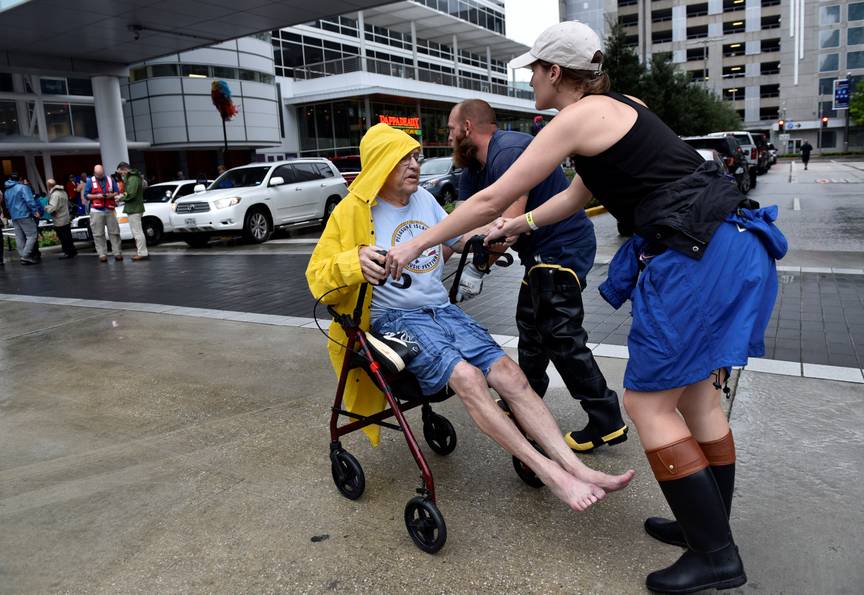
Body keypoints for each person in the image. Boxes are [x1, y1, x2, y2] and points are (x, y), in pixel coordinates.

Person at [384, 21, 786, 594]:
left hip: (696, 254)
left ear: (554, 73)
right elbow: (581, 193)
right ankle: (705, 526)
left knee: (647, 404)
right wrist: (518, 225)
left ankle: (717, 555)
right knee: (695, 393)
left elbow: (491, 194)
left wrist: (415, 243)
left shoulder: (573, 118)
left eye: (533, 71)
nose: (529, 80)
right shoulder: (621, 106)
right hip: (728, 241)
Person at [306, 123, 634, 513]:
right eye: (403, 158)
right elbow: (317, 275)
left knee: (511, 375)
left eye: (415, 156)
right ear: (380, 164)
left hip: (442, 310)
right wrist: (353, 260)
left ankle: (575, 466)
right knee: (466, 376)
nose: (415, 163)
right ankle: (552, 474)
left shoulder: (425, 200)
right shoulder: (352, 213)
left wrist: (481, 237)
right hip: (394, 319)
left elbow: (450, 241)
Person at [449, 99, 627, 453]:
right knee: (530, 329)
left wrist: (476, 267)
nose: (449, 137)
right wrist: (425, 250)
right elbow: (462, 224)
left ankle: (606, 419)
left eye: (452, 130)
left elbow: (504, 228)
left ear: (468, 128)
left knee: (560, 334)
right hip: (539, 254)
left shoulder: (510, 150)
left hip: (564, 245)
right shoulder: (472, 172)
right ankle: (525, 399)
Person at [85, 165, 123, 262]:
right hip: (96, 211)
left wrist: (111, 195)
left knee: (114, 232)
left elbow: (117, 192)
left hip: (110, 209)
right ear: (94, 173)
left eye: (101, 174)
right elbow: (86, 195)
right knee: (98, 234)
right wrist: (97, 196)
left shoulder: (110, 180)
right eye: (98, 175)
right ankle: (102, 254)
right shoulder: (90, 181)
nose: (100, 177)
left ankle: (117, 253)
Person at [4, 173, 42, 265]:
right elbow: (29, 200)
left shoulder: (7, 191)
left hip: (14, 216)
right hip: (24, 215)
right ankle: (25, 256)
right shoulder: (23, 187)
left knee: (19, 237)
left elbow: (7, 205)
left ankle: (23, 256)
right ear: (20, 179)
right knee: (32, 235)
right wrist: (35, 211)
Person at [116, 161, 149, 261]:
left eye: (121, 172)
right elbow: (130, 193)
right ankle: (142, 251)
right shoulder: (134, 177)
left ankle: (142, 253)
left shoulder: (133, 178)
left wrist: (121, 198)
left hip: (134, 208)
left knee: (137, 232)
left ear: (125, 169)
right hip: (135, 207)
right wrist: (123, 196)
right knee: (137, 231)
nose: (121, 175)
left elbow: (131, 194)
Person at [45, 178, 77, 259]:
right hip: (66, 216)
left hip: (59, 219)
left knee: (63, 237)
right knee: (68, 235)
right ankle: (72, 251)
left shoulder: (55, 195)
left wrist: (46, 208)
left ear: (49, 186)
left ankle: (67, 252)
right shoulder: (63, 192)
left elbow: (52, 208)